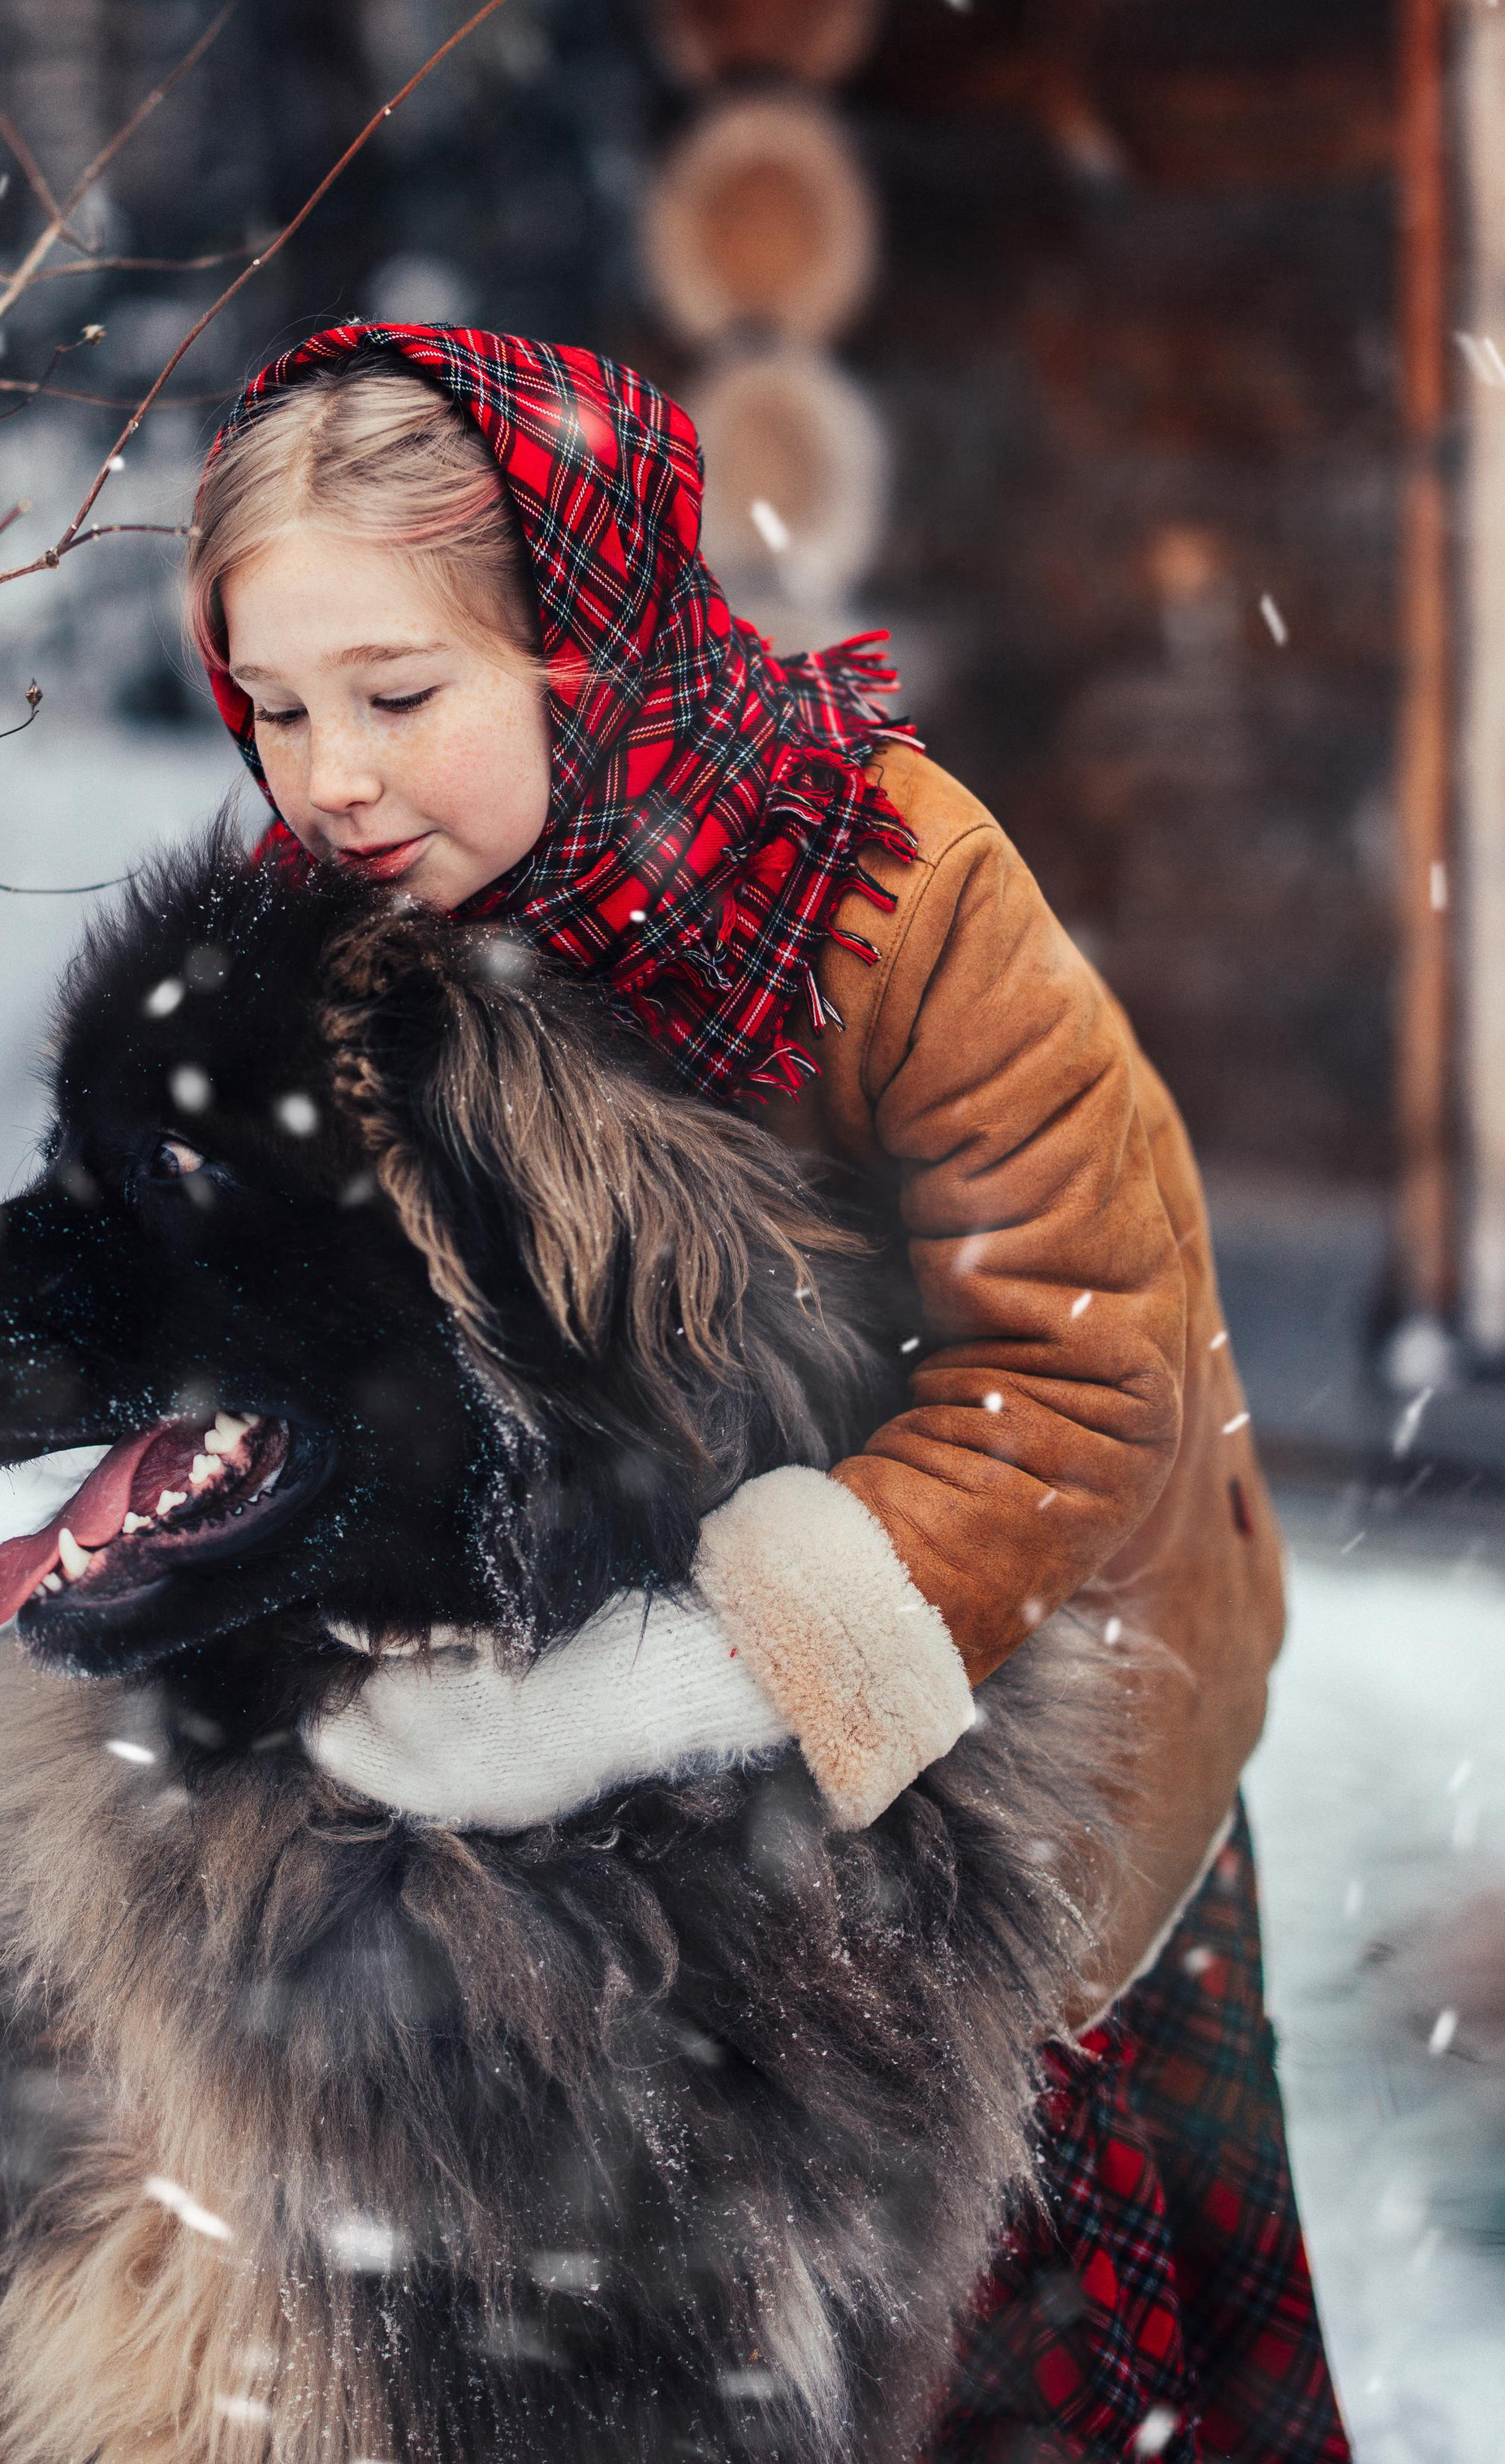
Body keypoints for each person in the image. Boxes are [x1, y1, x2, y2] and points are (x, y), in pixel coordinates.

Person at [184, 319, 1351, 2464]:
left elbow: (1082, 1373)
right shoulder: (332, 943)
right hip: (623, 1903)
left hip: (1027, 1746)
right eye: (271, 707)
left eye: (399, 696)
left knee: (1037, 2368)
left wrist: (660, 1684)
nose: (324, 775)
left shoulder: (882, 888)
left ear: (583, 638)